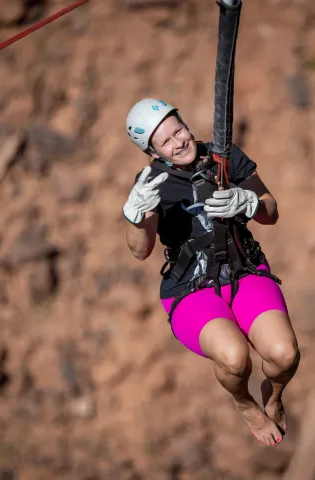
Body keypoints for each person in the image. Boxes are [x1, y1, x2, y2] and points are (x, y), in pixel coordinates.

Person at [122, 98, 300, 447]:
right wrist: (136, 217)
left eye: (179, 130)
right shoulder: (151, 184)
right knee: (235, 359)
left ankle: (274, 395)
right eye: (165, 142)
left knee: (284, 354)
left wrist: (247, 202)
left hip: (243, 269)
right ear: (153, 152)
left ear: (186, 123)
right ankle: (245, 403)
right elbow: (140, 250)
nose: (178, 142)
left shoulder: (223, 157)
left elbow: (271, 210)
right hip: (191, 288)